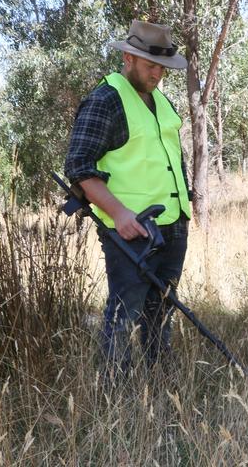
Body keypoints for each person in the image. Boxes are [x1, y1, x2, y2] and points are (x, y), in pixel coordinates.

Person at [64, 20, 192, 378]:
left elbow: (168, 161)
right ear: (128, 58)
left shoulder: (161, 102)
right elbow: (78, 165)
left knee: (162, 310)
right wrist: (119, 213)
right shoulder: (106, 100)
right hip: (130, 232)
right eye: (150, 65)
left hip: (173, 226)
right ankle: (116, 399)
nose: (157, 74)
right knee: (123, 316)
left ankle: (160, 385)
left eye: (162, 67)